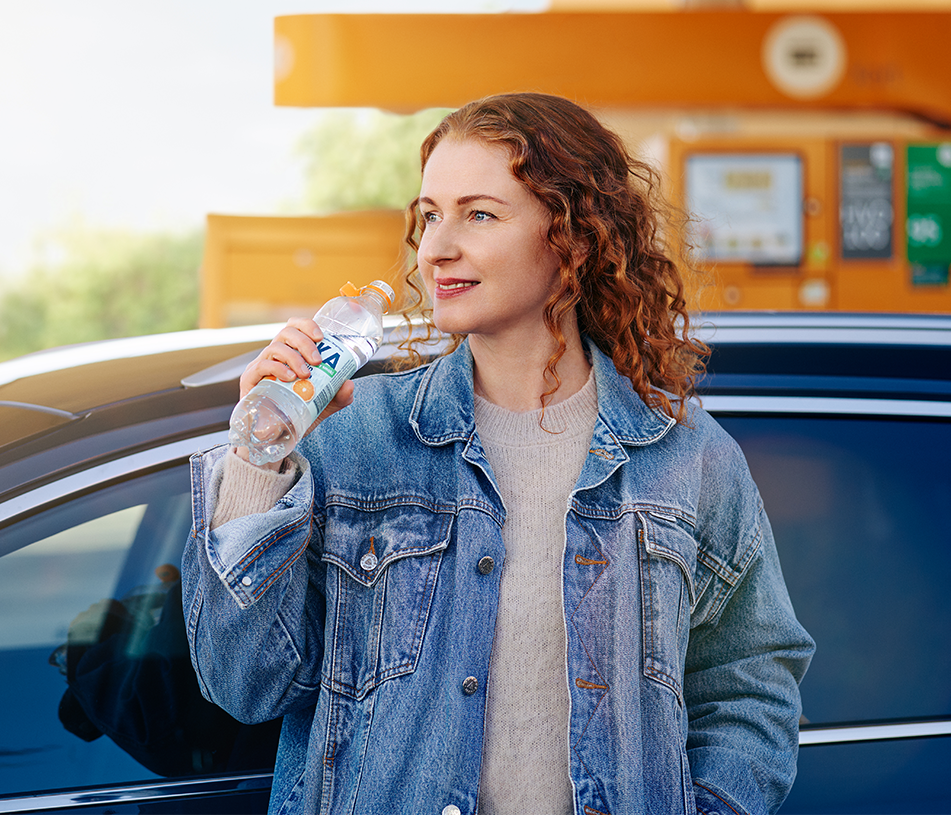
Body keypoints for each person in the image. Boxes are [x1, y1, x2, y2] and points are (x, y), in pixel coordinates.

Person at [182, 92, 814, 815]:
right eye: (429, 215)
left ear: (573, 235)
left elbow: (749, 684)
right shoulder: (355, 437)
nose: (436, 247)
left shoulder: (685, 456)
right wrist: (262, 455)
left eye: (477, 213)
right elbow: (244, 683)